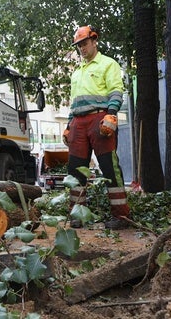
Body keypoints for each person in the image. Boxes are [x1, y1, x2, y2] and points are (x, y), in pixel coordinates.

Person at [62, 25, 129, 230]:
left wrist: (111, 114)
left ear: (94, 41)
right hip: (78, 122)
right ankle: (77, 215)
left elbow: (116, 91)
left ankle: (121, 217)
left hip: (100, 119)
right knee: (75, 171)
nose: (82, 48)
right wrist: (68, 125)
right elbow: (74, 102)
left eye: (84, 43)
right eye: (79, 45)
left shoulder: (108, 64)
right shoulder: (76, 73)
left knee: (109, 167)